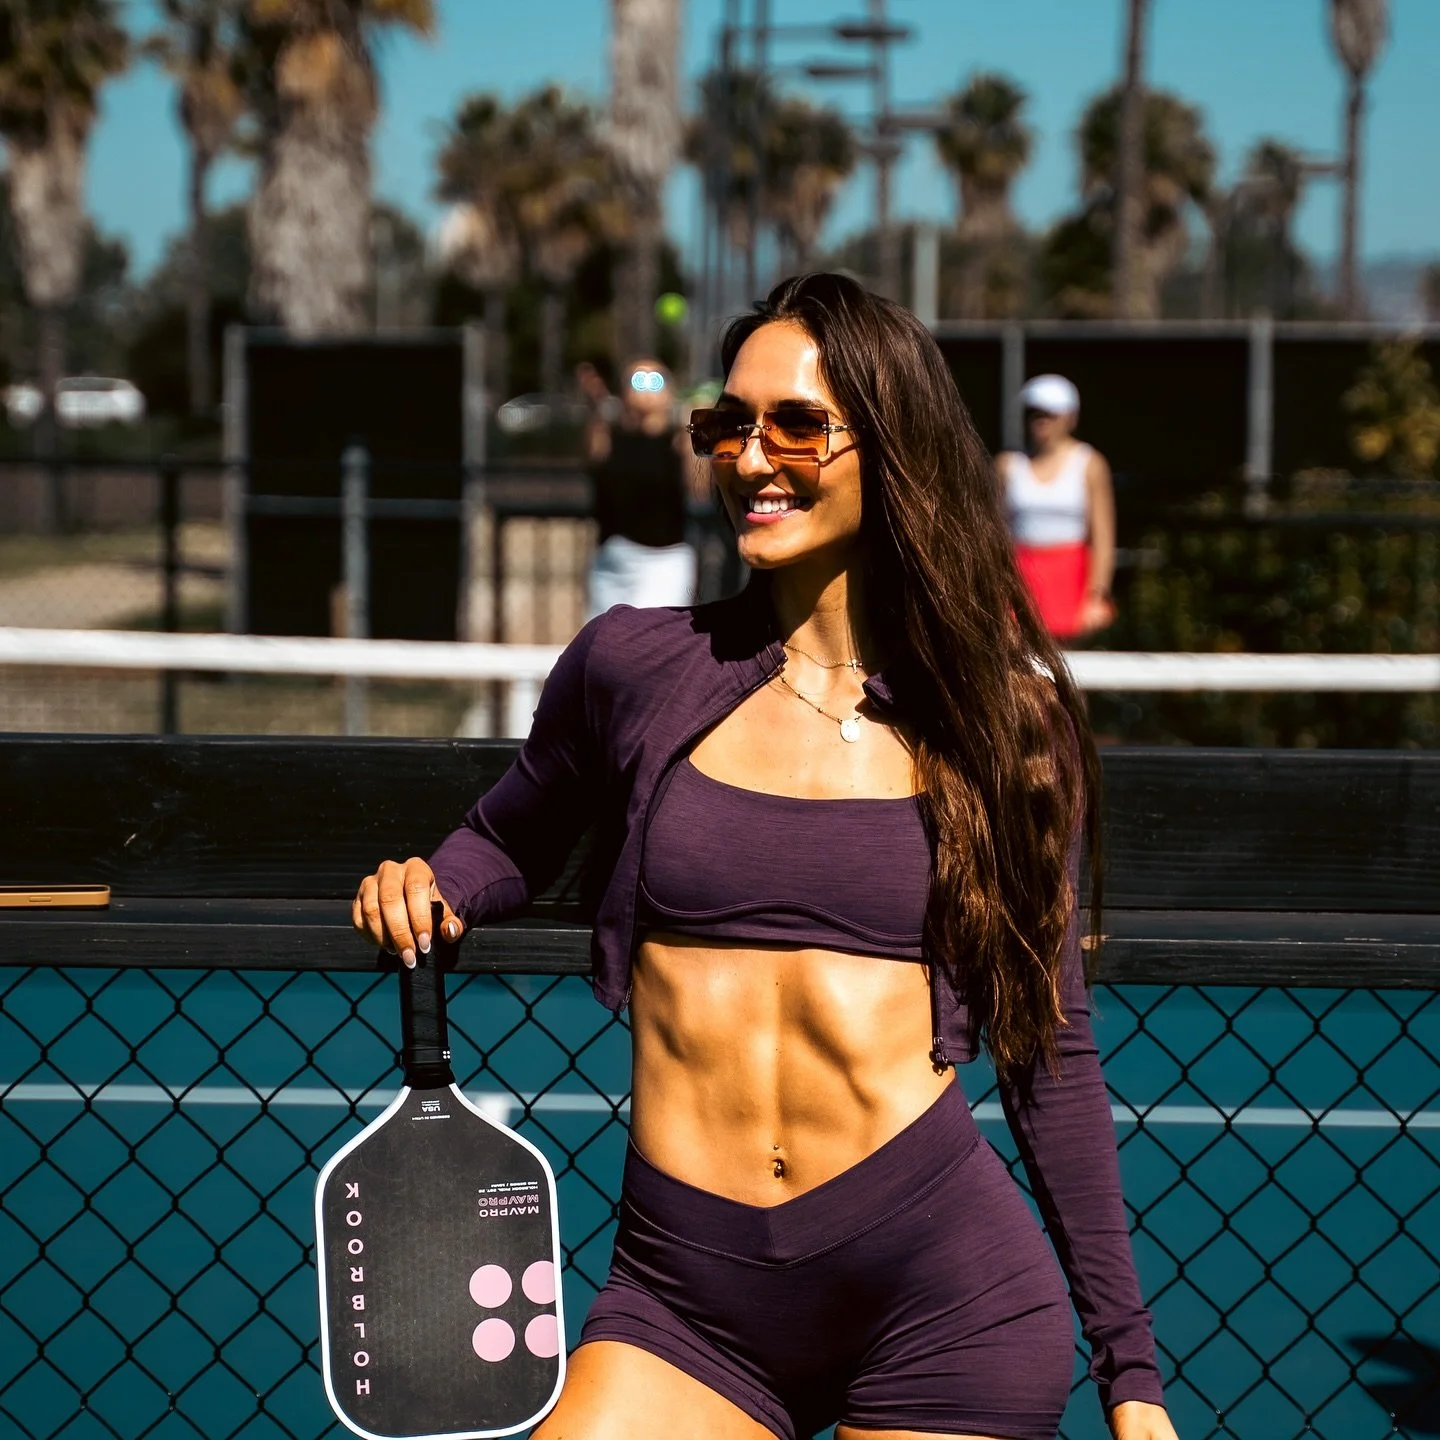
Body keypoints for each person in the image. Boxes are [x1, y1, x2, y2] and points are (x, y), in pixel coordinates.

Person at [355, 274, 1176, 1440]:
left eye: (794, 424)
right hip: (685, 1303)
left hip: (945, 1301)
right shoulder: (633, 667)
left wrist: (1130, 1376)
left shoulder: (1005, 728)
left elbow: (1052, 1048)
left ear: (892, 443)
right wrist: (430, 883)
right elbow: (506, 835)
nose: (749, 457)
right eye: (723, 426)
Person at [998, 374, 1117, 640]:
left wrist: (1097, 595)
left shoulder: (1090, 463)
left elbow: (1103, 536)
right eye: (1034, 412)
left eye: (1050, 413)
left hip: (1071, 581)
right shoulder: (1007, 465)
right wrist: (1000, 592)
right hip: (1020, 579)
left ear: (1070, 418)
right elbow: (994, 534)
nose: (1041, 420)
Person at [582, 357, 698, 619]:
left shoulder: (678, 441)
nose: (645, 391)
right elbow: (593, 464)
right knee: (603, 643)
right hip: (613, 559)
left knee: (651, 641)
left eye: (655, 382)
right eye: (638, 381)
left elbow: (698, 488)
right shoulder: (609, 436)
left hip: (663, 559)